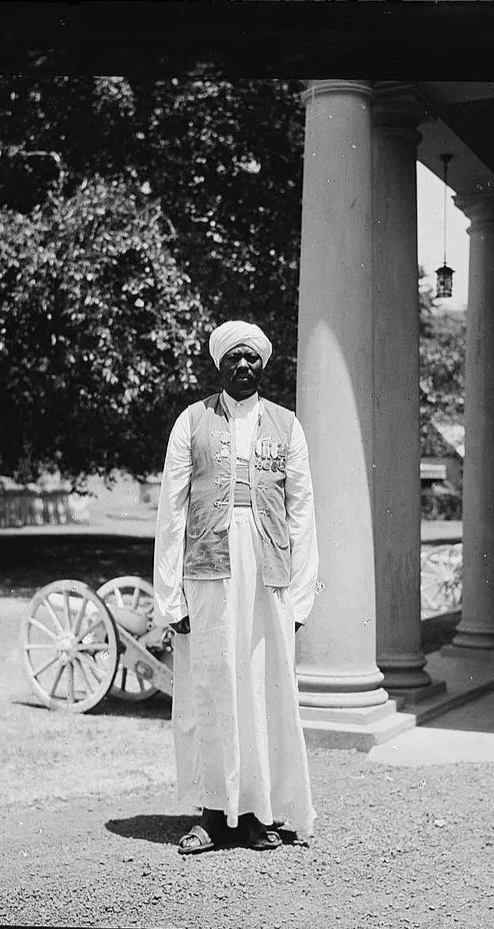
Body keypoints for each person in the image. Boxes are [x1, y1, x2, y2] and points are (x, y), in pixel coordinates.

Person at [153, 319, 319, 855]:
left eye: (252, 358)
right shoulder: (191, 422)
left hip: (268, 576)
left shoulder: (287, 426)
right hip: (208, 573)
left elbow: (303, 514)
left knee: (262, 688)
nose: (243, 366)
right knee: (213, 687)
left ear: (264, 365)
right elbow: (171, 512)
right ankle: (211, 813)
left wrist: (301, 592)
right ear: (219, 364)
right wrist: (169, 596)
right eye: (234, 358)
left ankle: (257, 813)